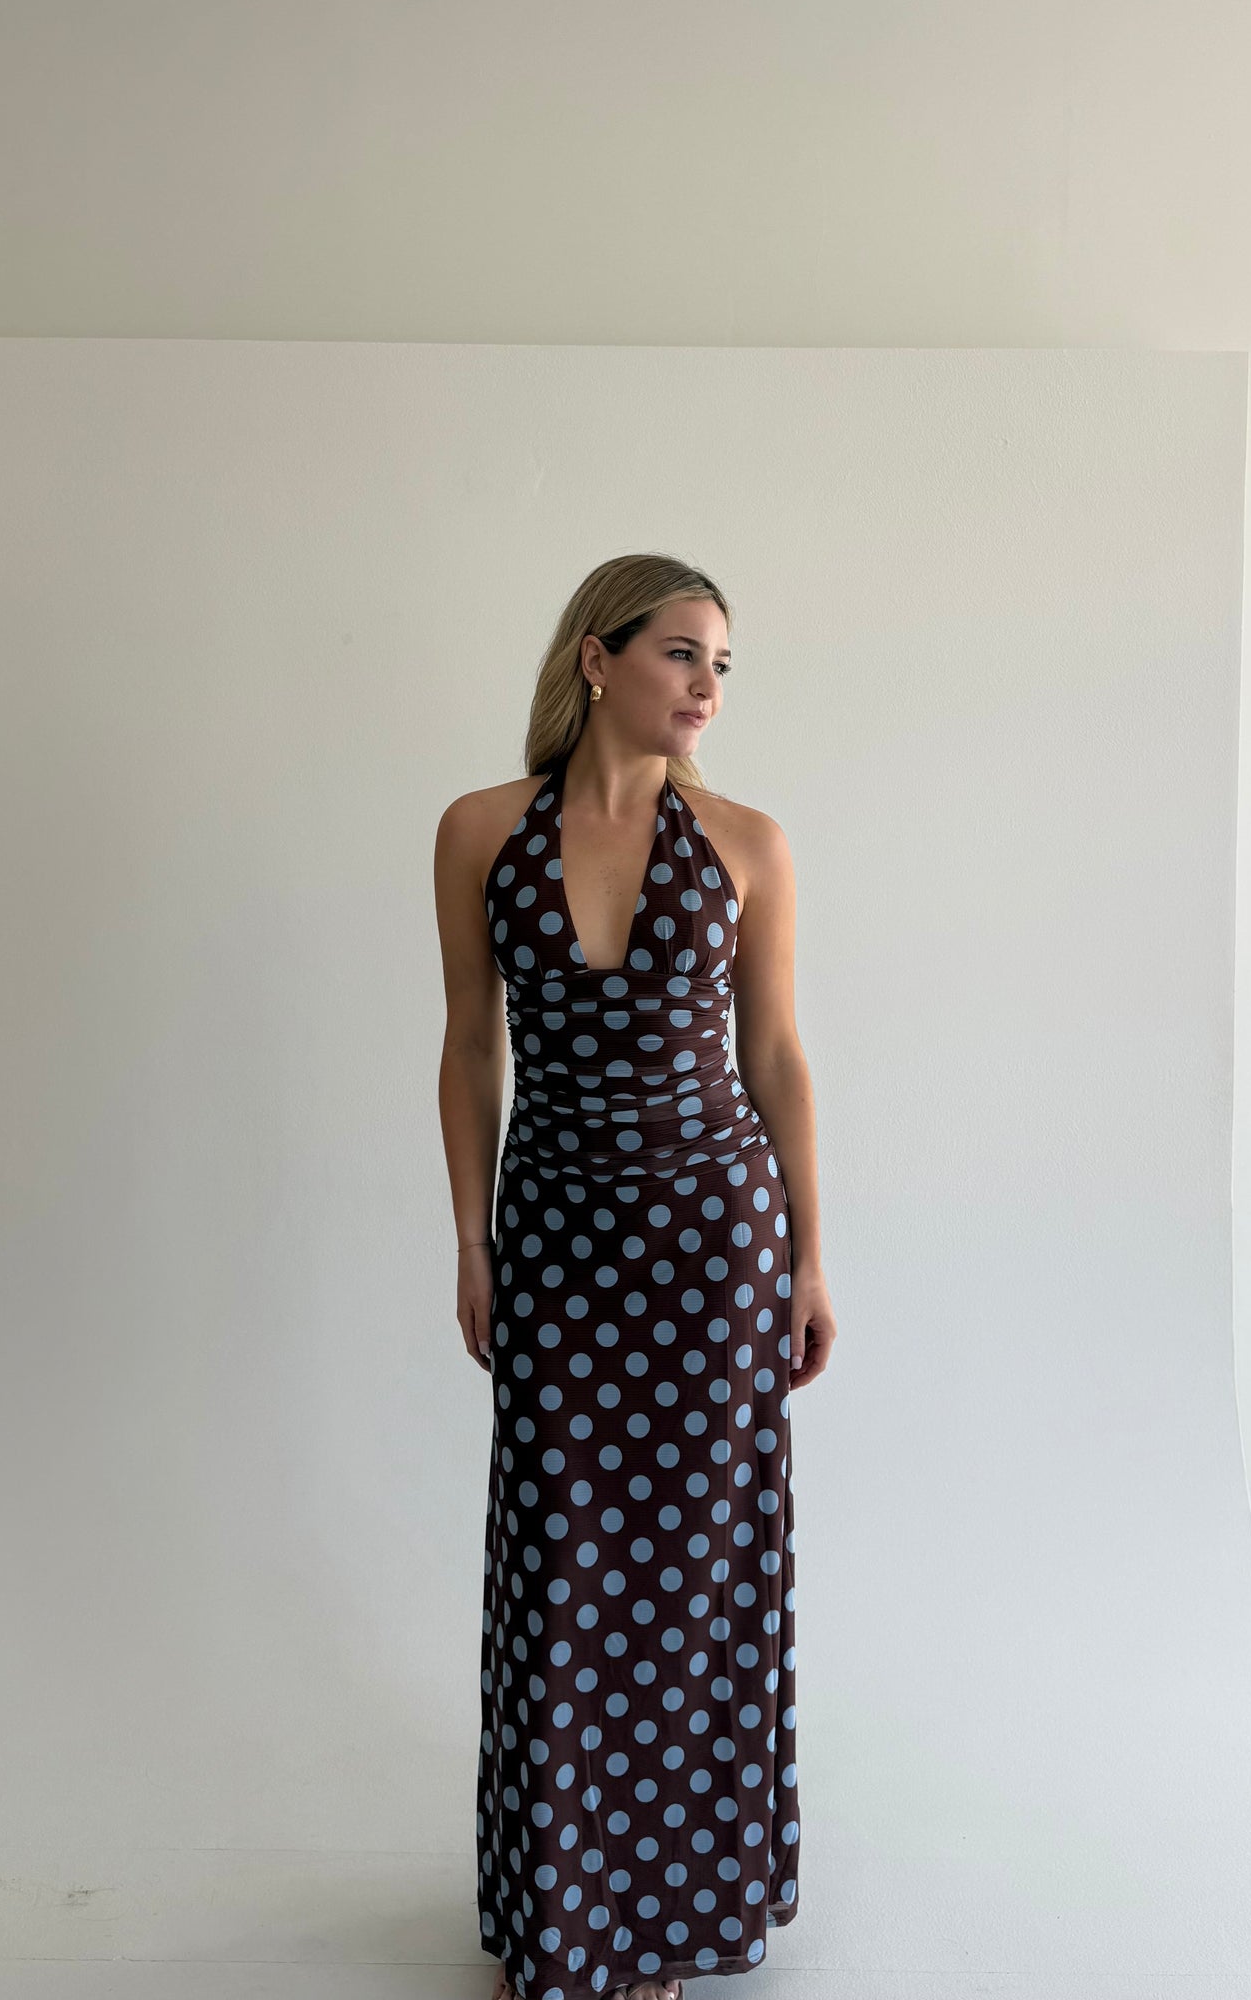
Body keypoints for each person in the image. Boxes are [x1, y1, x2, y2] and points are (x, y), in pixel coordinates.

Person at [433, 552, 836, 2000]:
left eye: (722, 665)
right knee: (561, 1560)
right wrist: (471, 1240)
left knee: (692, 1564)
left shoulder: (744, 843)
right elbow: (473, 1045)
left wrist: (807, 1258)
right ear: (596, 659)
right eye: (682, 655)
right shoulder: (481, 830)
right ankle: (563, 1905)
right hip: (551, 1235)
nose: (706, 689)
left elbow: (775, 1057)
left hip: (712, 1243)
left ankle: (664, 1917)